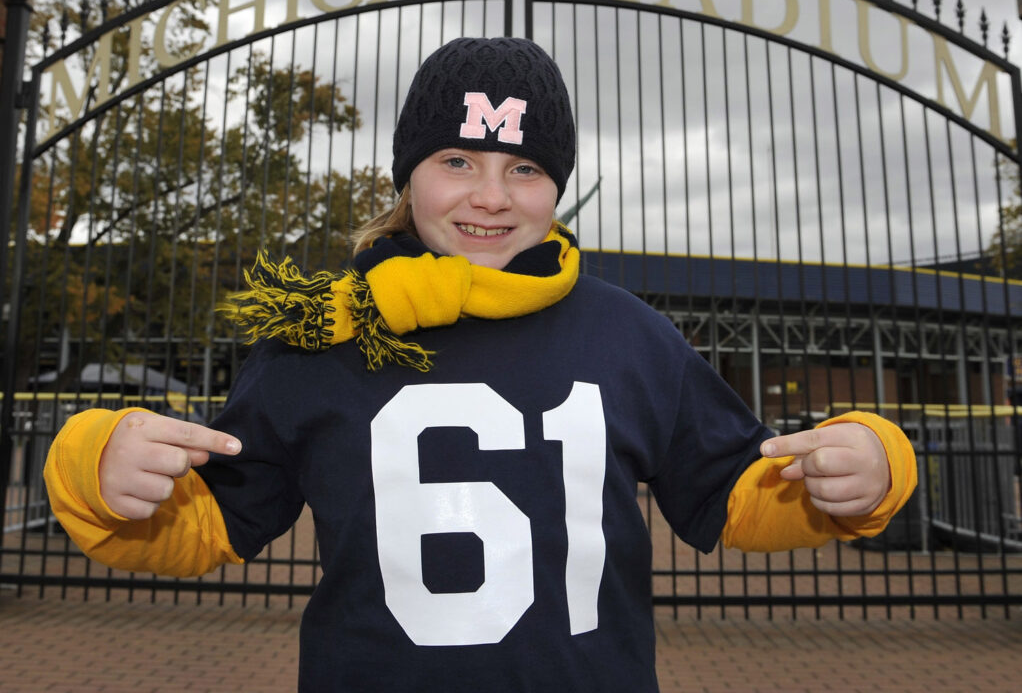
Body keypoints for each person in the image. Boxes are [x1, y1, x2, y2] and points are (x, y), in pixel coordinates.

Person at [45, 36, 917, 692]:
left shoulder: (625, 334)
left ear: (558, 186)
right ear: (407, 176)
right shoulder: (320, 335)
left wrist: (869, 462)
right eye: (456, 160)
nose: (491, 196)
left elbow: (733, 492)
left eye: (524, 167)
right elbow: (212, 522)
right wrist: (95, 466)